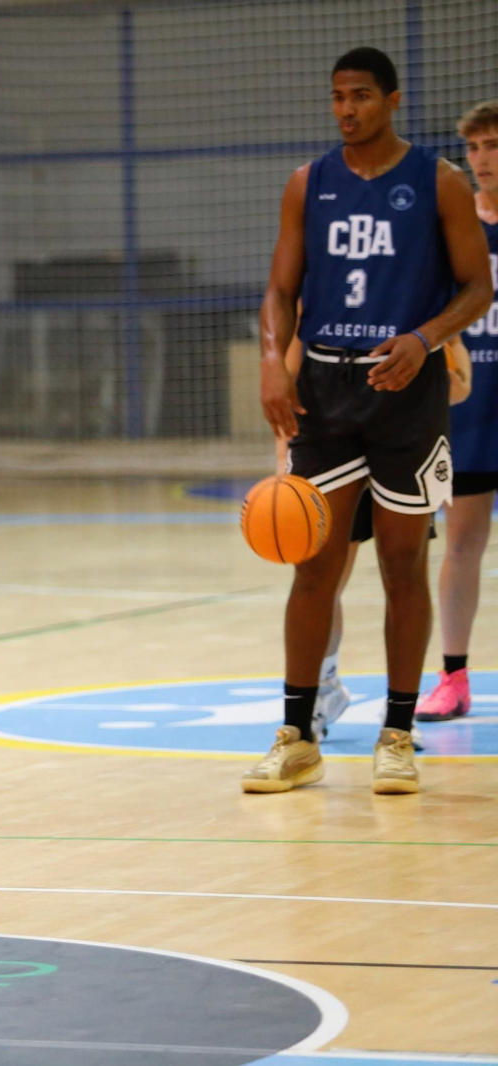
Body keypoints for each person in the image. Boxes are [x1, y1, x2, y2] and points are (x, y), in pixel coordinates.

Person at [248, 47, 492, 794]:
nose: (346, 109)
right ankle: (296, 733)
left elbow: (479, 287)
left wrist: (424, 340)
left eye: (359, 96)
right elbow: (281, 289)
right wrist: (271, 362)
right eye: (336, 97)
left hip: (405, 392)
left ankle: (398, 733)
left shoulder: (439, 184)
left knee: (400, 564)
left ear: (392, 100)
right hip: (325, 388)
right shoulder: (307, 184)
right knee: (313, 566)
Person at [275, 312, 469, 746]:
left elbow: (461, 384)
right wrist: (282, 454)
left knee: (403, 572)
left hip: (400, 430)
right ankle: (324, 687)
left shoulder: (416, 301)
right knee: (323, 577)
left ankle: (399, 712)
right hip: (332, 427)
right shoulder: (319, 303)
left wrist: (438, 370)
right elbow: (289, 374)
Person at [417, 100, 498, 724]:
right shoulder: (453, 227)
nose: (482, 159)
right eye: (473, 148)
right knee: (462, 544)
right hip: (472, 409)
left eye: (493, 145)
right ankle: (453, 676)